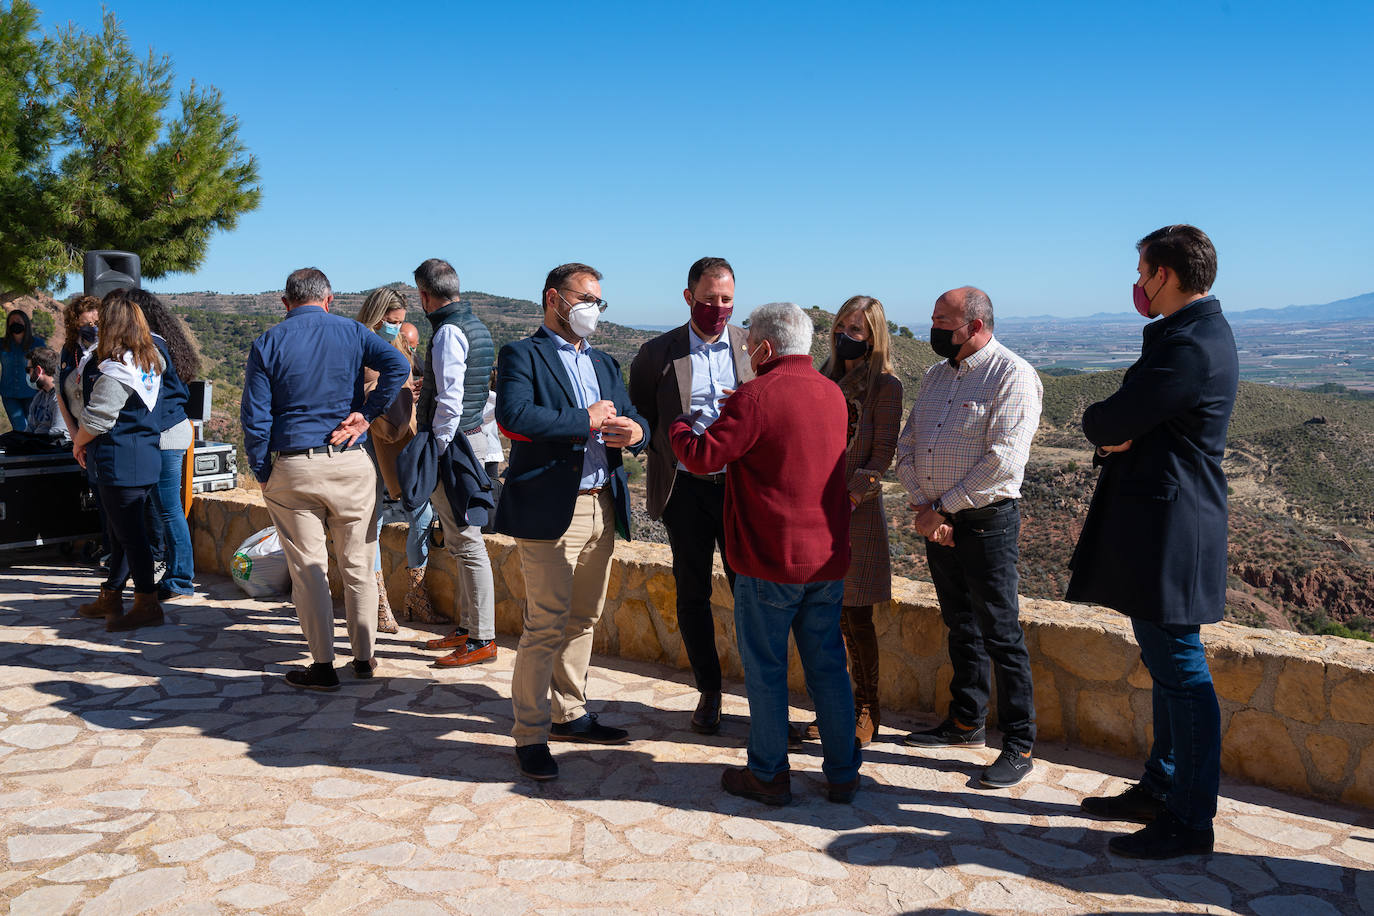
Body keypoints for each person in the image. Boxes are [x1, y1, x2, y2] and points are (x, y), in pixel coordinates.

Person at [1068, 225, 1237, 860]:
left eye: (1142, 270)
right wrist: (1118, 431)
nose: (1138, 283)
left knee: (1182, 675)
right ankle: (1162, 787)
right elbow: (1122, 424)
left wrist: (1110, 429)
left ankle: (1190, 820)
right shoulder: (1195, 335)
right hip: (1169, 524)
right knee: (1169, 672)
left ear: (1163, 273)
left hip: (1172, 530)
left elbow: (1108, 420)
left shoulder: (1187, 346)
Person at [670, 301, 861, 806]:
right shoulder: (833, 395)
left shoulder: (754, 397)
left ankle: (770, 774)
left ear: (765, 347)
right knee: (828, 669)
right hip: (826, 559)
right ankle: (843, 773)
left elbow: (701, 455)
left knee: (767, 669)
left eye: (749, 342)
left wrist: (679, 425)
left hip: (769, 560)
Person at [494, 262, 648, 781]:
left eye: (598, 302)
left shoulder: (604, 362)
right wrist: (583, 420)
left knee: (585, 617)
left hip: (603, 502)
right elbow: (514, 416)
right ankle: (530, 734)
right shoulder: (522, 354)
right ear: (554, 299)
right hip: (552, 509)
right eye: (586, 299)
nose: (593, 310)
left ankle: (571, 712)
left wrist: (636, 434)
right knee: (544, 625)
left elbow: (631, 414)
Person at [895, 286, 1042, 789]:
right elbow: (908, 442)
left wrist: (941, 507)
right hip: (935, 519)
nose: (933, 329)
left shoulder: (1013, 375)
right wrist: (924, 504)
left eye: (943, 320)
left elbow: (1003, 459)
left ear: (976, 325)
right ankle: (965, 723)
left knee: (1001, 632)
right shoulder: (937, 375)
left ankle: (1019, 744)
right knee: (960, 624)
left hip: (986, 522)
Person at [240, 268, 410, 691]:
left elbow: (255, 417)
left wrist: (261, 470)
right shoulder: (352, 332)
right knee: (358, 564)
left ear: (286, 303)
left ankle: (322, 665)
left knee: (308, 570)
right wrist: (366, 416)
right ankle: (365, 657)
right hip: (349, 461)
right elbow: (396, 364)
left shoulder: (268, 342)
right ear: (329, 299)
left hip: (294, 466)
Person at [628, 256, 753, 735]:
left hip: (740, 491)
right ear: (689, 298)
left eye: (726, 300)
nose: (718, 308)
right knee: (692, 593)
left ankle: (761, 694)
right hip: (685, 489)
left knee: (751, 594)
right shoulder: (658, 353)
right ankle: (710, 691)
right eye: (709, 300)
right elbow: (642, 412)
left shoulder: (751, 348)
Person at [811, 295, 903, 747]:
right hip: (814, 512)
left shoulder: (886, 387)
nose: (847, 336)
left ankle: (867, 708)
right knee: (822, 616)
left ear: (874, 337)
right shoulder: (822, 376)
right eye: (843, 327)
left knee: (856, 616)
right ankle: (833, 705)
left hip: (855, 513)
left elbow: (881, 455)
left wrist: (848, 498)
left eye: (858, 330)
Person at [406, 259, 499, 668]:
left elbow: (449, 399)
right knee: (462, 542)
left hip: (455, 446)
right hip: (474, 440)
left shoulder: (446, 331)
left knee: (467, 542)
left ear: (425, 295)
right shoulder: (476, 325)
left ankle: (481, 638)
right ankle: (466, 628)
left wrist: (439, 449)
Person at [70, 291, 169, 631]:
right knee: (123, 532)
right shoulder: (149, 360)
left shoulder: (116, 370)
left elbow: (98, 419)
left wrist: (78, 444)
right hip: (142, 456)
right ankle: (111, 594)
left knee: (130, 537)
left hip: (119, 461)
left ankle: (147, 603)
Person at [353, 286, 426, 633]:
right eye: (392, 321)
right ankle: (379, 603)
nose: (397, 328)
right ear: (378, 316)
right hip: (367, 442)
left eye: (400, 322)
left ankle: (414, 597)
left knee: (419, 514)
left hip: (397, 440)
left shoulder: (396, 345)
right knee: (373, 523)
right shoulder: (359, 344)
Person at [125, 288, 198, 603]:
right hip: (174, 429)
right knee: (165, 508)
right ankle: (176, 573)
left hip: (166, 434)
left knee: (168, 510)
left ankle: (181, 579)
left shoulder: (151, 346)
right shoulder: (164, 341)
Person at [2, 309, 46, 431]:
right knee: (20, 428)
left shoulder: (37, 343)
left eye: (18, 321)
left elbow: (47, 365)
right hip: (9, 394)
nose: (14, 323)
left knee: (35, 429)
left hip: (32, 393)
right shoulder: (2, 344)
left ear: (25, 323)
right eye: (11, 321)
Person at [23, 347, 69, 441]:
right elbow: (29, 430)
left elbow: (58, 434)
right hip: (38, 448)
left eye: (28, 370)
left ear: (39, 371)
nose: (28, 374)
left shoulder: (59, 398)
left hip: (51, 452)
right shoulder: (39, 397)